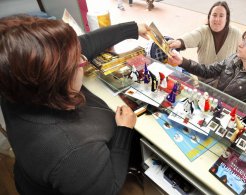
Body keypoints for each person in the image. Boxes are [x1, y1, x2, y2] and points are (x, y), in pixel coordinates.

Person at [0, 14, 149, 195]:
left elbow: (84, 42)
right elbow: (109, 187)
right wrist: (124, 131)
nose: (83, 60)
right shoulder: (74, 152)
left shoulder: (16, 81)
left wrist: (132, 29)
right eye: (77, 61)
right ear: (57, 79)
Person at [168, 26, 246, 116]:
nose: (240, 45)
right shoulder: (234, 59)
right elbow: (208, 71)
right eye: (243, 40)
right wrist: (182, 61)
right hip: (216, 110)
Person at [168, 1, 241, 65]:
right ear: (209, 17)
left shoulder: (236, 34)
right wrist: (178, 42)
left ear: (227, 18)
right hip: (202, 79)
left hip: (227, 80)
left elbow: (243, 58)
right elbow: (191, 37)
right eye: (214, 15)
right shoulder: (203, 31)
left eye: (221, 16)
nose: (217, 19)